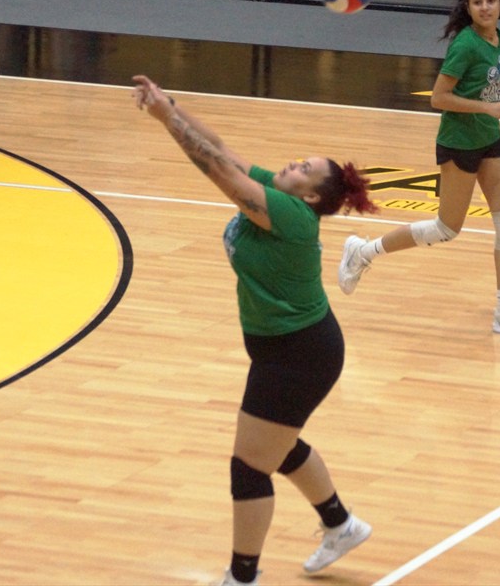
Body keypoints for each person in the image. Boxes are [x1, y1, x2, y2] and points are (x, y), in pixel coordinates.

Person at [131, 75, 377, 586]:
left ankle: (243, 577)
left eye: (304, 169)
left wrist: (166, 121)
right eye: (299, 159)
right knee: (277, 444)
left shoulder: (288, 213)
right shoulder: (277, 190)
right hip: (285, 349)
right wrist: (171, 105)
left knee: (249, 466)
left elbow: (218, 171)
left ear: (311, 196)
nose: (293, 164)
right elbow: (221, 149)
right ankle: (341, 524)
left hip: (299, 354)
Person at [336, 0, 500, 337]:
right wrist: (490, 108)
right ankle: (363, 252)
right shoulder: (465, 45)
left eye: (491, 0)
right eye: (478, 2)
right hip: (459, 141)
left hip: (489, 139)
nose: (485, 7)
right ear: (469, 7)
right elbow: (439, 98)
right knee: (446, 229)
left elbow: (488, 88)